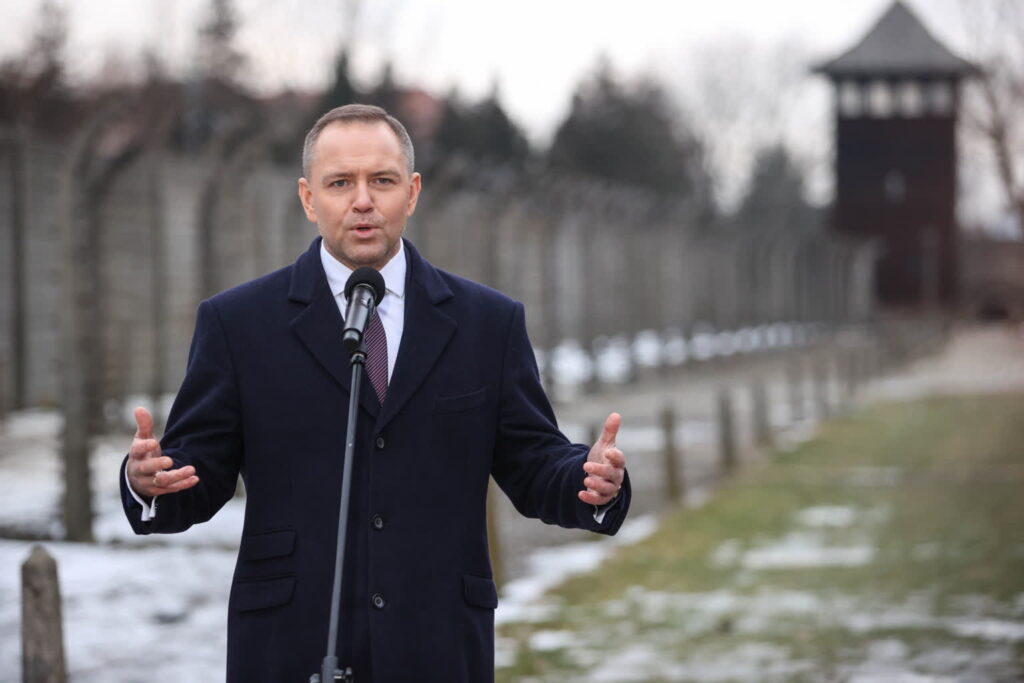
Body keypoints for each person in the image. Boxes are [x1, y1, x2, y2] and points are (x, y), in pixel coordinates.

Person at [120, 104, 630, 682]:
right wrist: (150, 481)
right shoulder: (238, 324)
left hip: (436, 643)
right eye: (340, 183)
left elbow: (534, 461)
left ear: (411, 193)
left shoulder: (488, 323)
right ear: (309, 199)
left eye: (381, 181)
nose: (362, 200)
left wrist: (588, 480)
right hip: (291, 645)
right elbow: (197, 472)